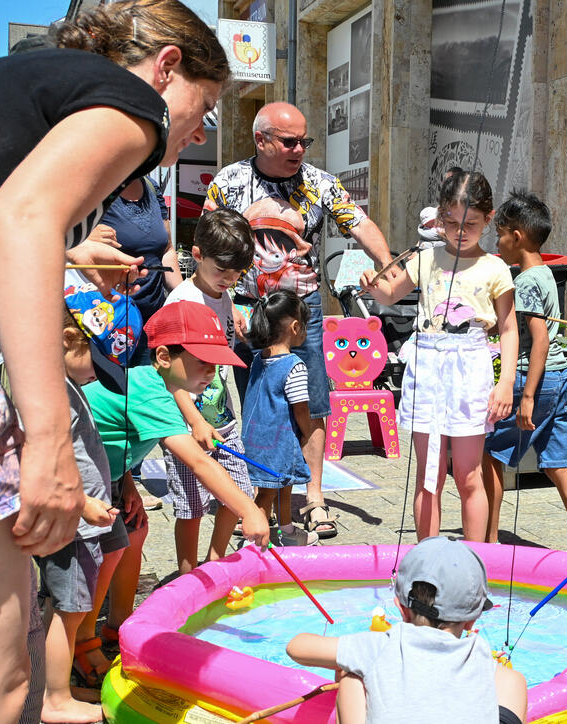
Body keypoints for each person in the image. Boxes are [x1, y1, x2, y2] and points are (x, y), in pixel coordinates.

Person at [0, 1, 227, 718]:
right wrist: (51, 443)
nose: (191, 134)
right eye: (204, 110)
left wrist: (65, 251)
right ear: (167, 67)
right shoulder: (131, 103)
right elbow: (17, 219)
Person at [204, 102, 395, 540]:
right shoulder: (230, 182)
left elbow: (358, 222)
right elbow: (209, 241)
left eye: (304, 141)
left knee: (310, 406)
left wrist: (384, 260)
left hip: (298, 316)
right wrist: (223, 298)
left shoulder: (319, 183)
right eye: (290, 141)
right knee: (258, 409)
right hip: (246, 310)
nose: (299, 149)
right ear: (261, 140)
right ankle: (263, 497)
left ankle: (314, 497)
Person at [75, 301, 270, 679]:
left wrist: (127, 481)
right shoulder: (151, 392)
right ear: (163, 356)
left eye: (217, 365)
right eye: (203, 363)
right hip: (78, 476)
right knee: (107, 548)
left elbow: (115, 433)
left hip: (108, 473)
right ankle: (83, 640)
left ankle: (118, 625)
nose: (212, 375)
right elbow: (198, 462)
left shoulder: (154, 382)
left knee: (135, 529)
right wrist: (249, 509)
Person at [361, 171, 517, 541]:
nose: (460, 232)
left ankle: (474, 560)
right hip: (428, 366)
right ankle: (427, 564)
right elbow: (389, 295)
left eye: (471, 224)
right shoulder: (426, 258)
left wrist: (506, 382)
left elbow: (509, 329)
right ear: (439, 218)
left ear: (489, 219)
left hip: (470, 368)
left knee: (467, 474)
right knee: (428, 475)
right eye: (450, 223)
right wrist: (373, 285)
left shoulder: (495, 268)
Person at [286, 536, 528, 724]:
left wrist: (348, 660)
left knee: (353, 678)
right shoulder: (481, 657)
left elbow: (296, 647)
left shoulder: (379, 647)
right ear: (472, 620)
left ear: (400, 608)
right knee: (512, 680)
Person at [482, 190, 567, 552]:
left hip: (534, 379)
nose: (497, 243)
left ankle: (488, 541)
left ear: (516, 237)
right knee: (557, 465)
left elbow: (540, 340)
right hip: (561, 379)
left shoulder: (527, 281)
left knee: (490, 456)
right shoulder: (545, 273)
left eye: (499, 235)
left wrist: (527, 396)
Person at [35, 311, 121, 724]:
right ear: (70, 338)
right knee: (67, 612)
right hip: (73, 521)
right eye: (96, 364)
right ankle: (55, 699)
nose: (96, 376)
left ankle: (59, 687)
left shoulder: (67, 383)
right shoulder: (51, 391)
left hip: (84, 517)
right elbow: (48, 459)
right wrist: (83, 501)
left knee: (69, 610)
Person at [162, 208, 257, 573]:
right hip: (187, 424)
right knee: (191, 507)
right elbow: (170, 373)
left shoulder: (223, 294)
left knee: (239, 495)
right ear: (197, 255)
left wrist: (233, 311)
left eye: (236, 275)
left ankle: (215, 563)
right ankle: (188, 576)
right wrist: (195, 421)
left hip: (224, 419)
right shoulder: (182, 303)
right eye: (221, 271)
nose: (228, 280)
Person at [241, 290, 320, 546]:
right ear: (296, 327)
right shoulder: (294, 365)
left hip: (255, 437)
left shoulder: (258, 359)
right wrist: (307, 431)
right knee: (266, 494)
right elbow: (300, 408)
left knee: (283, 486)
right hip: (279, 440)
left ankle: (287, 531)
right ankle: (255, 540)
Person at [89, 175, 183, 364]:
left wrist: (183, 297)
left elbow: (166, 249)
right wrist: (85, 239)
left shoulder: (151, 186)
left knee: (144, 390)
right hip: (107, 324)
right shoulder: (94, 187)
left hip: (151, 324)